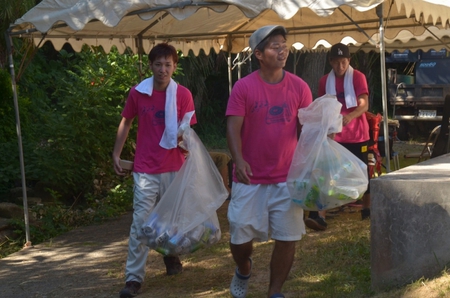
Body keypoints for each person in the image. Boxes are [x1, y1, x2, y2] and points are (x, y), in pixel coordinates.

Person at [226, 25, 313, 298]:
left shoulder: (299, 87)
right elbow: (232, 127)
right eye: (275, 46)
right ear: (259, 54)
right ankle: (243, 265)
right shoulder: (243, 87)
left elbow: (307, 129)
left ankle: (274, 291)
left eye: (284, 45)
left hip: (287, 178)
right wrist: (238, 160)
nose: (282, 50)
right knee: (239, 238)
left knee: (288, 237)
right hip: (249, 178)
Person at [112, 43, 197, 298]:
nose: (163, 69)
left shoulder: (183, 95)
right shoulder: (139, 93)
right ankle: (133, 279)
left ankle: (171, 257)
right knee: (141, 222)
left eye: (167, 64)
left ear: (174, 66)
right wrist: (116, 153)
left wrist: (187, 145)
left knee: (171, 220)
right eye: (158, 64)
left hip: (174, 165)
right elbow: (126, 121)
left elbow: (188, 131)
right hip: (145, 168)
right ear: (150, 66)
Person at [304, 43, 370, 231]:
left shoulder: (358, 77)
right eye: (336, 62)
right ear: (330, 62)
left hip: (357, 134)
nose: (340, 67)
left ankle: (367, 208)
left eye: (343, 62)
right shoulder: (325, 81)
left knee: (362, 172)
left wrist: (350, 116)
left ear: (349, 61)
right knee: (325, 174)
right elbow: (323, 105)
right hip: (334, 136)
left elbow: (364, 105)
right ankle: (320, 216)